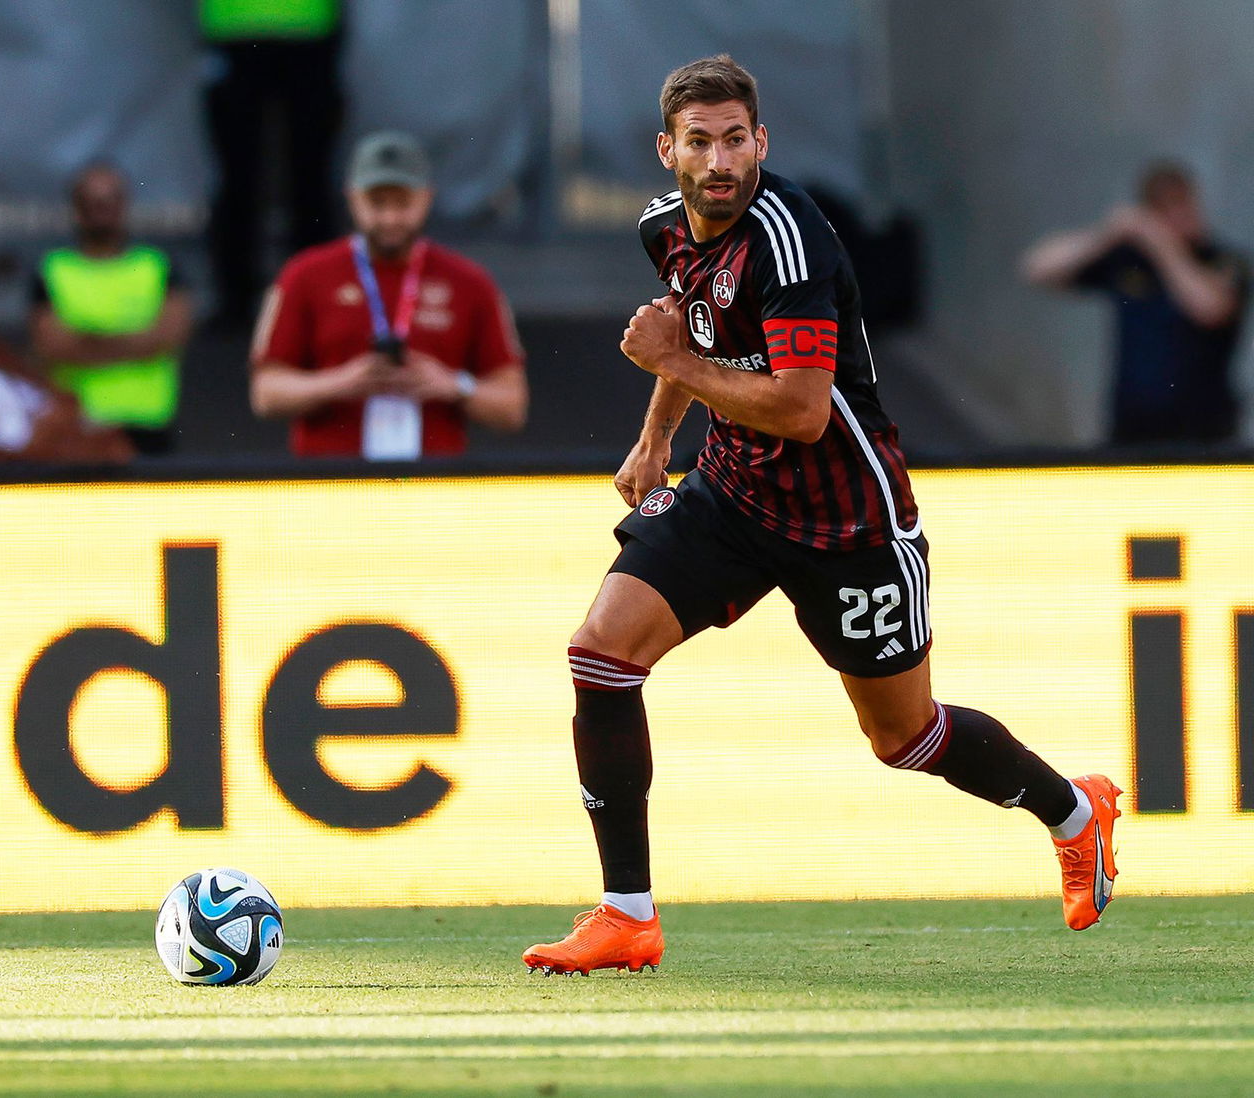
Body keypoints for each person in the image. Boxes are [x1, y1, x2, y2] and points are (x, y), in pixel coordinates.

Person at [522, 55, 1122, 976]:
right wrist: (655, 444)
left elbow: (802, 410)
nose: (719, 160)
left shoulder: (789, 239)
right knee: (600, 654)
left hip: (848, 520)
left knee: (905, 738)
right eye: (699, 142)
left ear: (761, 141)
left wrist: (671, 368)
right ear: (667, 150)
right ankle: (627, 915)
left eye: (735, 140)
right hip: (731, 492)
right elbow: (692, 335)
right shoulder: (663, 232)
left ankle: (1074, 811)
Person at [249, 132, 528, 459]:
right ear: (352, 199)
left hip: (433, 490)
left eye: (403, 203)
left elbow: (513, 405)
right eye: (377, 203)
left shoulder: (470, 282)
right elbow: (265, 393)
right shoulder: (304, 275)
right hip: (331, 487)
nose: (390, 218)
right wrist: (341, 382)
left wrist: (454, 385)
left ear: (427, 198)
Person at [1021, 162, 1249, 446]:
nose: (1178, 216)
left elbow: (1210, 309)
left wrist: (1163, 245)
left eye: (1182, 204)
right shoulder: (1129, 262)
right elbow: (1037, 268)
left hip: (1205, 435)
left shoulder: (1221, 261)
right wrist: (1105, 235)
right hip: (1130, 434)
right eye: (1164, 209)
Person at [200, 0, 345, 331]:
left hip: (303, 31)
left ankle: (313, 296)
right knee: (245, 177)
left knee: (308, 177)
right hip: (240, 30)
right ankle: (238, 299)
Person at [30, 162, 193, 456]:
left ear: (124, 205)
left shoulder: (157, 265)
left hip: (148, 424)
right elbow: (53, 345)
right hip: (76, 426)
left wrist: (88, 341)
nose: (101, 211)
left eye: (109, 201)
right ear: (76, 209)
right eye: (92, 203)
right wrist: (137, 339)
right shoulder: (52, 269)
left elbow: (169, 336)